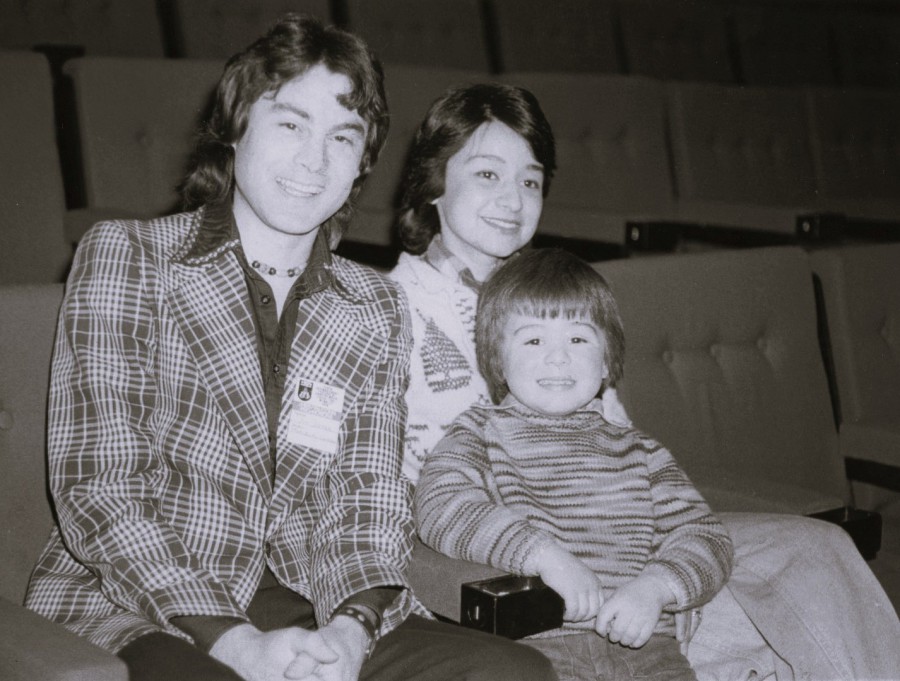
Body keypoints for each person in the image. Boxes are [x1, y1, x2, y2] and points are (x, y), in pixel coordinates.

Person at [24, 15, 557, 681]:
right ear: (235, 127)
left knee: (515, 673)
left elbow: (371, 500)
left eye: (343, 137)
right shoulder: (129, 257)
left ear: (363, 162)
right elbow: (102, 491)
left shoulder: (374, 304)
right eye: (290, 125)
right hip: (146, 601)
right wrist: (237, 643)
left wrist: (352, 628)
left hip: (314, 598)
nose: (314, 160)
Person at [389, 83, 900, 680]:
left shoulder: (561, 302)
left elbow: (624, 454)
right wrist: (540, 556)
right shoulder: (389, 311)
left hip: (625, 560)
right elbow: (407, 502)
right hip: (513, 581)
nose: (512, 199)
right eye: (486, 174)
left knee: (818, 551)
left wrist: (663, 580)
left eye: (530, 181)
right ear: (432, 183)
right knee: (782, 638)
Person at [415, 248, 735, 681]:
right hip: (536, 648)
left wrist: (658, 587)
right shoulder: (479, 432)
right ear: (497, 360)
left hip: (648, 650)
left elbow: (707, 537)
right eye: (533, 340)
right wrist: (544, 556)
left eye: (578, 339)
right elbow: (440, 506)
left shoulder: (641, 451)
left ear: (606, 361)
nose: (558, 357)